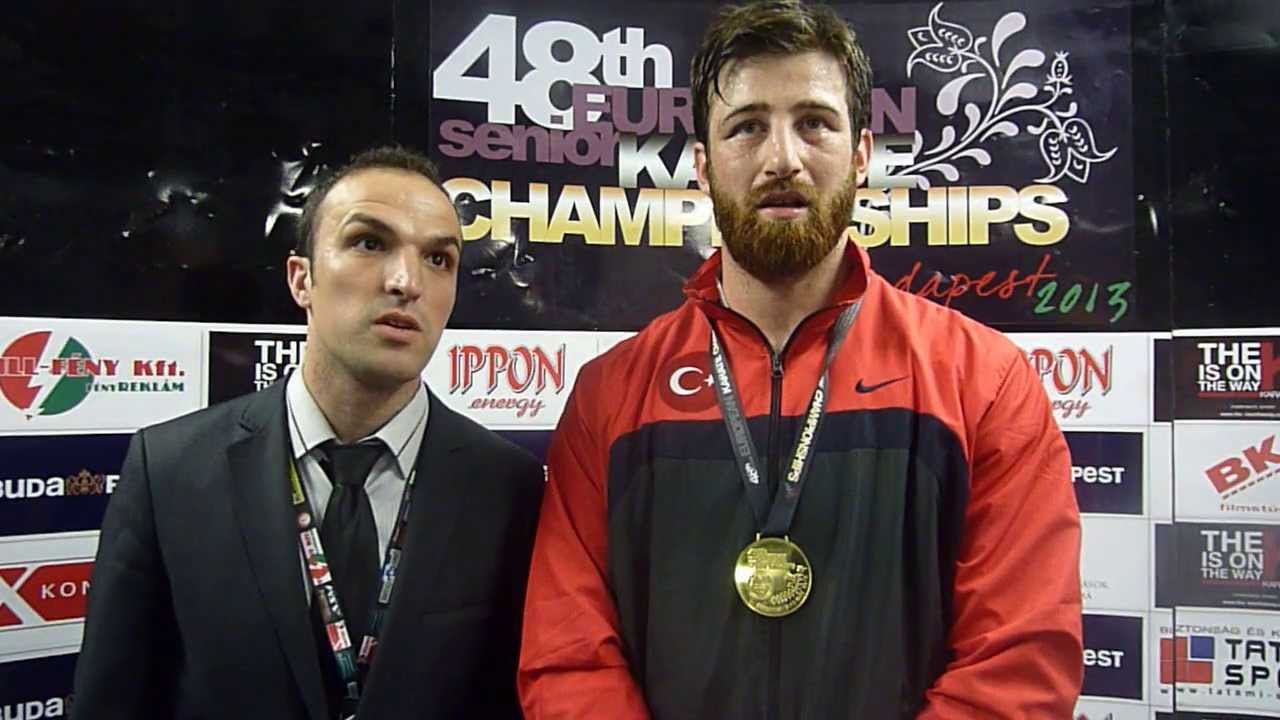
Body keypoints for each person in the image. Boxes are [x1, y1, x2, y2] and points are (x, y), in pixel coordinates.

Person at [517, 2, 1083, 718]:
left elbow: (1019, 665)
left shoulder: (982, 379)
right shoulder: (611, 395)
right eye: (747, 126)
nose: (782, 158)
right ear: (702, 166)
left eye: (814, 123)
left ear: (862, 155)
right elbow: (568, 659)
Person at [72, 146, 544, 719]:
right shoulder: (169, 468)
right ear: (302, 279)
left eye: (439, 259)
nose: (406, 282)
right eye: (369, 243)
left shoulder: (508, 487)